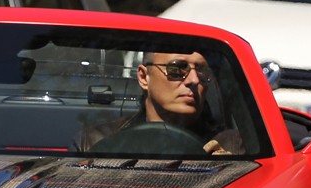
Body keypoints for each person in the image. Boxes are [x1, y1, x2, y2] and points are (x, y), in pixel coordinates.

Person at [79, 49, 241, 156]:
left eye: (202, 71)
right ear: (143, 77)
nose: (194, 79)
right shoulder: (94, 140)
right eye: (177, 69)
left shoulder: (233, 145)